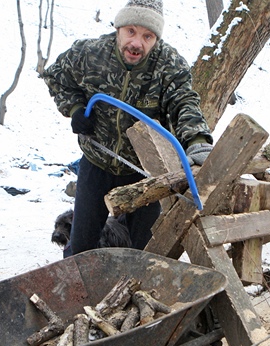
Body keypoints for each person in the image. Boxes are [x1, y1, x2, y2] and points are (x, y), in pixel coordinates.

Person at [42, 0, 214, 258]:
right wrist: (76, 108)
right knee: (81, 248)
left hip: (142, 168)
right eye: (131, 32)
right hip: (96, 162)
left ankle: (134, 295)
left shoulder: (168, 64)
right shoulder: (90, 54)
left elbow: (184, 101)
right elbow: (56, 76)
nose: (137, 43)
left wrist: (197, 140)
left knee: (144, 249)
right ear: (119, 28)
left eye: (147, 36)